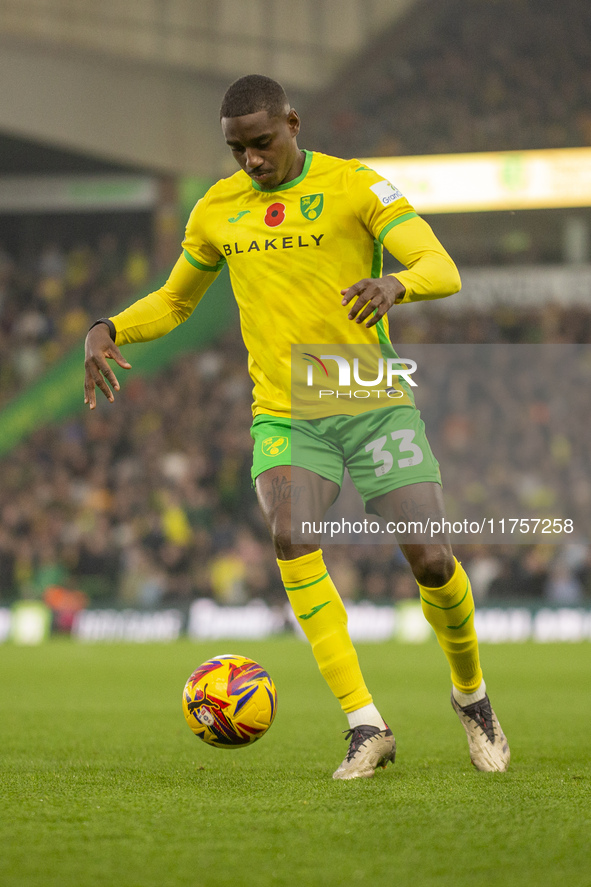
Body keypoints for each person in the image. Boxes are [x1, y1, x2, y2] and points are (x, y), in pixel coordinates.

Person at [84, 74, 509, 779]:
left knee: (431, 560)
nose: (249, 160)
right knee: (290, 531)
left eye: (261, 142)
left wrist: (396, 283)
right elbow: (175, 301)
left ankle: (472, 697)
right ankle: (364, 723)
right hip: (285, 409)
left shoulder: (355, 186)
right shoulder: (216, 209)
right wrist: (109, 327)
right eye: (235, 149)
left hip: (370, 395)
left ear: (292, 122)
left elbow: (440, 265)